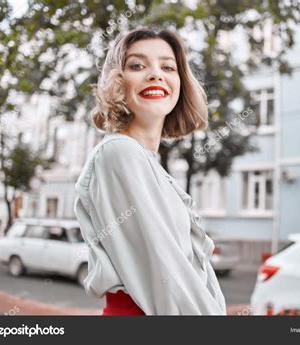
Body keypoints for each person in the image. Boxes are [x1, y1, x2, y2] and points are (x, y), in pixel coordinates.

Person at [74, 28, 227, 315]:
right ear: (117, 81)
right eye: (137, 65)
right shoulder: (119, 153)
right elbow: (168, 276)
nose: (156, 74)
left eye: (168, 67)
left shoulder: (146, 164)